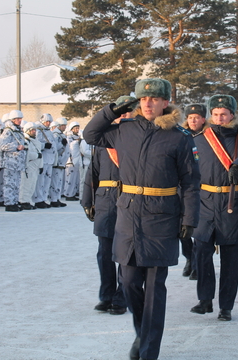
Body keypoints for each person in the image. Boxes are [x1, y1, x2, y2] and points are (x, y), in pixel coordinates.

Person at [83, 78, 200, 360]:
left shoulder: (179, 137)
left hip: (162, 216)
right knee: (130, 281)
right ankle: (142, 331)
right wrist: (113, 109)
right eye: (143, 100)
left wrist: (189, 218)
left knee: (154, 288)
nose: (148, 104)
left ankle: (148, 349)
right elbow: (90, 134)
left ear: (165, 102)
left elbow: (191, 181)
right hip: (128, 214)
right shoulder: (124, 130)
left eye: (155, 99)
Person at [190, 94, 238, 322]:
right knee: (202, 252)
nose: (220, 118)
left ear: (232, 115)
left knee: (231, 259)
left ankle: (226, 306)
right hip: (205, 203)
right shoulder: (198, 139)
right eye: (216, 114)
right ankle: (205, 299)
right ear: (210, 115)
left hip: (233, 203)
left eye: (224, 114)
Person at [81, 96, 137, 317]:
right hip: (105, 200)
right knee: (104, 253)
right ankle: (106, 295)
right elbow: (92, 172)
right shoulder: (104, 141)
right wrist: (88, 200)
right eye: (120, 113)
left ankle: (121, 297)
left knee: (125, 253)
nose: (123, 116)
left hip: (129, 200)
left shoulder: (136, 139)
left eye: (128, 112)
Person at [180, 103, 208, 279]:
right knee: (182, 230)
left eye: (196, 117)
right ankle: (189, 257)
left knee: (198, 230)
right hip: (182, 187)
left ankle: (197, 262)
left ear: (203, 119)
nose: (193, 120)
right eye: (190, 117)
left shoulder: (209, 136)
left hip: (202, 188)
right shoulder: (181, 135)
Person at [0, 110, 27, 212]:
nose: (20, 121)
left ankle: (14, 201)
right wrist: (16, 147)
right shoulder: (8, 131)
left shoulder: (18, 131)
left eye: (20, 119)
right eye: (18, 119)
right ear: (12, 120)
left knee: (16, 183)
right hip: (10, 162)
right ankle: (9, 203)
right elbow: (2, 145)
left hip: (18, 162)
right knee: (9, 183)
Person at [34, 114, 57, 209]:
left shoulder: (49, 131)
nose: (48, 123)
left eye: (49, 122)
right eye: (47, 121)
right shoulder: (39, 131)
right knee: (41, 180)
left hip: (50, 159)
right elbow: (36, 143)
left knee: (47, 181)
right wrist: (44, 146)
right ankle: (38, 199)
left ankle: (43, 198)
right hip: (43, 159)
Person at [20, 122, 43, 210]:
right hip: (29, 166)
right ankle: (23, 201)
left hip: (36, 167)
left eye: (35, 130)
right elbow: (27, 154)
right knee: (26, 185)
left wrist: (41, 166)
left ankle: (28, 200)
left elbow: (40, 154)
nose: (34, 131)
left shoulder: (36, 141)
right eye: (32, 130)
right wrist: (37, 155)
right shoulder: (26, 140)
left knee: (32, 185)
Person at [49, 118, 69, 207]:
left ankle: (57, 198)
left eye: (65, 125)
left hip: (62, 162)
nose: (64, 127)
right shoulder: (56, 135)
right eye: (63, 126)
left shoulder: (61, 135)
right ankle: (53, 199)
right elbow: (55, 148)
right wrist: (62, 144)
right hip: (57, 161)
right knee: (55, 181)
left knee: (59, 182)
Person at [64, 121, 81, 201]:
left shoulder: (78, 137)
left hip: (77, 160)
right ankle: (68, 194)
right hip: (70, 161)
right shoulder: (69, 137)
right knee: (70, 179)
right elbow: (70, 148)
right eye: (76, 128)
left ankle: (73, 192)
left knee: (75, 179)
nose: (77, 130)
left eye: (78, 128)